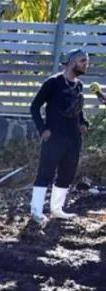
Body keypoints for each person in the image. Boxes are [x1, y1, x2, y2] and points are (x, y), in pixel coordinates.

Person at [28, 48, 99, 224]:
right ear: (72, 62)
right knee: (45, 173)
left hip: (74, 138)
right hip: (54, 136)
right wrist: (42, 129)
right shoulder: (53, 83)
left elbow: (78, 110)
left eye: (87, 61)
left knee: (67, 174)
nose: (86, 64)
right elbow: (34, 107)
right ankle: (36, 210)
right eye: (83, 61)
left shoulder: (79, 85)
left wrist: (83, 123)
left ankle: (57, 209)